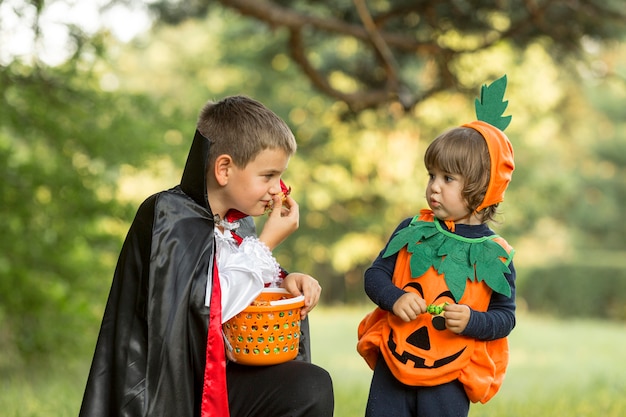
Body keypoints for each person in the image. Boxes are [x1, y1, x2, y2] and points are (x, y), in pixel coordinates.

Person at [79, 95, 334, 417]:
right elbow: (204, 308)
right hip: (171, 386)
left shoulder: (238, 222)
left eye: (279, 176)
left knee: (308, 386)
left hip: (223, 372)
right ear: (224, 168)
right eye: (268, 176)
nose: (278, 189)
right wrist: (266, 244)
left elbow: (244, 294)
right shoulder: (167, 215)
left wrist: (286, 282)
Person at [357, 119, 516, 417]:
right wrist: (395, 297)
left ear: (483, 189)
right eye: (431, 175)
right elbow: (374, 276)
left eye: (447, 179)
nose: (434, 187)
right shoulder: (413, 229)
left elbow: (505, 318)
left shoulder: (496, 255)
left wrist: (472, 321)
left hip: (450, 373)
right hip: (395, 362)